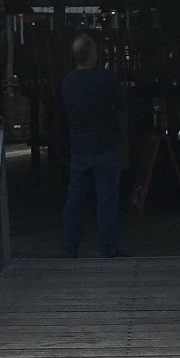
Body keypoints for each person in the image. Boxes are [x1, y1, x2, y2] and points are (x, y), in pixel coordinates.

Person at [60, 34, 123, 257]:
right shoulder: (106, 79)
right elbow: (119, 104)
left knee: (75, 198)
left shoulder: (68, 82)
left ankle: (69, 247)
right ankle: (108, 247)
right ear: (92, 54)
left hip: (79, 146)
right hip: (105, 144)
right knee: (106, 198)